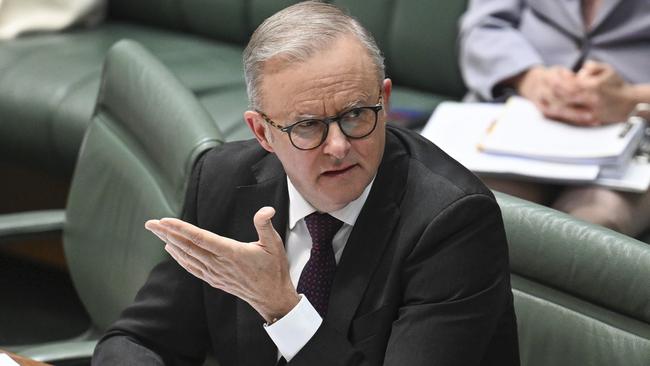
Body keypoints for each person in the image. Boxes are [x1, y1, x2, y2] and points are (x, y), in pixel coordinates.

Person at [92, 2, 519, 365]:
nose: (338, 146)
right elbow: (137, 341)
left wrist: (281, 308)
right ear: (262, 133)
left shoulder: (453, 223)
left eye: (356, 115)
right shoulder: (224, 180)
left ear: (384, 102)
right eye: (308, 126)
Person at [459, 0, 650, 236]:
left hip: (639, 134)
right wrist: (529, 78)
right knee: (464, 205)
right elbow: (483, 25)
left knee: (587, 230)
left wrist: (631, 98)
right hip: (519, 112)